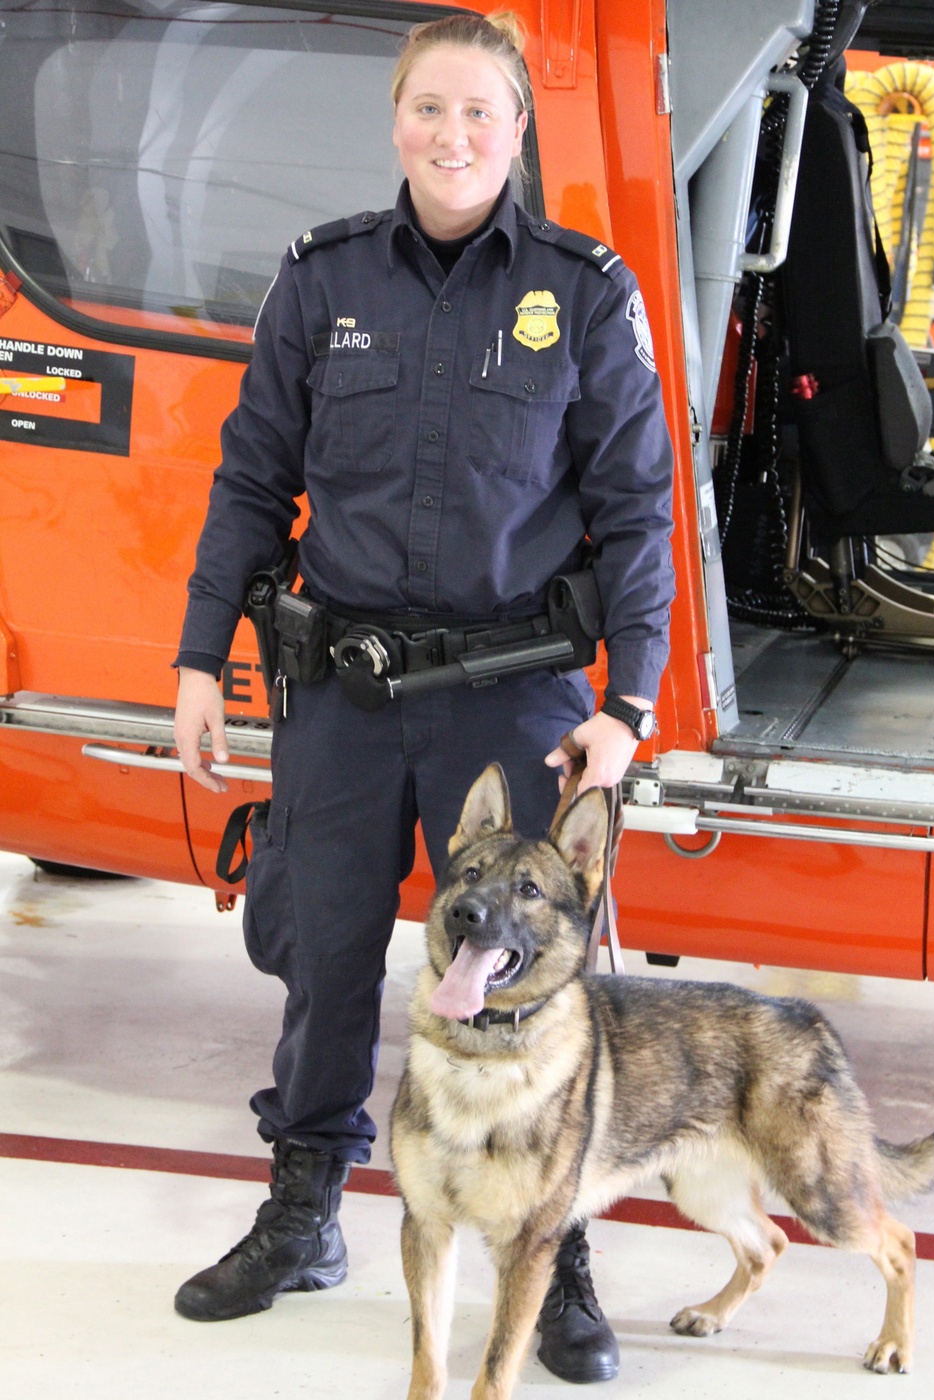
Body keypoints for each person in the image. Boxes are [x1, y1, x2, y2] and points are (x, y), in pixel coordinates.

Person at [171, 10, 674, 1386]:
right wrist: (200, 656)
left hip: (516, 708)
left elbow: (639, 512)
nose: (454, 136)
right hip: (343, 693)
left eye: (481, 114)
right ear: (396, 119)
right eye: (430, 109)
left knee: (542, 978)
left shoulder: (584, 290)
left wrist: (627, 705)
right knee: (327, 954)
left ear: (519, 131)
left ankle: (551, 1251)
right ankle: (302, 1210)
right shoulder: (319, 276)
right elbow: (250, 475)